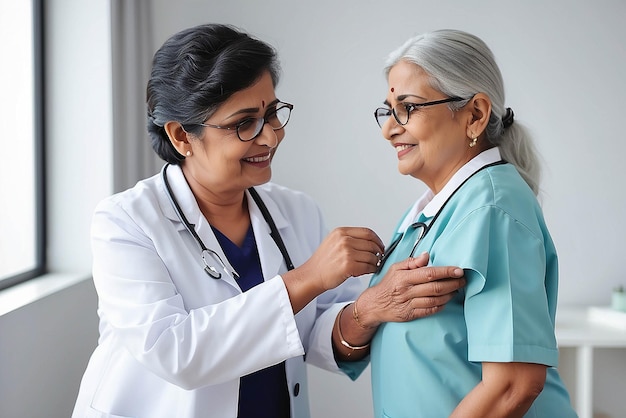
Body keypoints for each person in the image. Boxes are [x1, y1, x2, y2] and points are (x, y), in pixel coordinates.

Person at [71, 24, 466, 418]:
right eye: (244, 123)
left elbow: (315, 333)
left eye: (272, 112)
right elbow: (176, 354)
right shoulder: (125, 223)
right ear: (181, 136)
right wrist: (309, 277)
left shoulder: (295, 211)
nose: (271, 137)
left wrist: (371, 308)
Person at [338, 30, 578, 417]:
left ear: (475, 115)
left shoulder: (493, 210)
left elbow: (513, 386)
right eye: (388, 110)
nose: (389, 128)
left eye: (409, 107)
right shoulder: (430, 212)